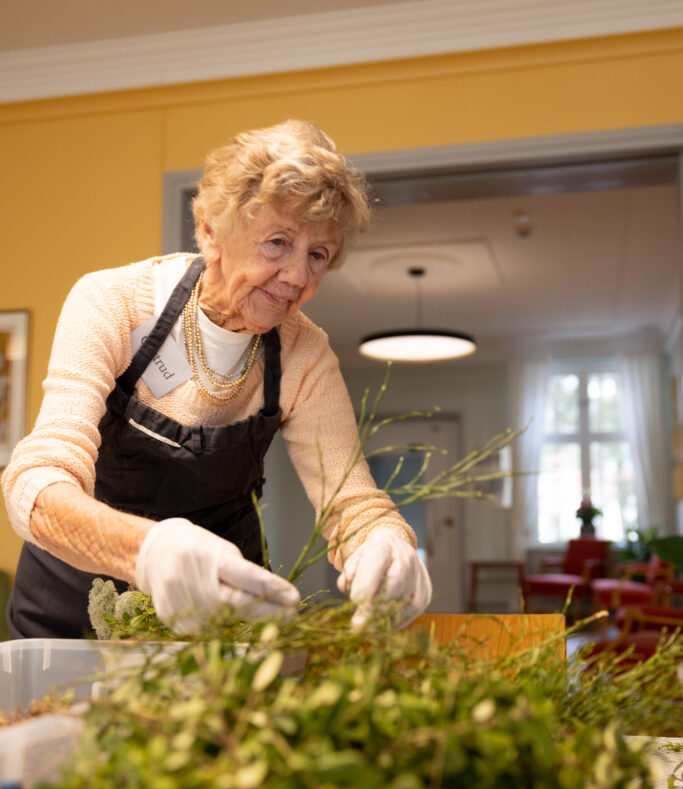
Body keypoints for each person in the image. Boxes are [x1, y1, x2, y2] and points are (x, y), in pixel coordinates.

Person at [1, 119, 432, 639]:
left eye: (317, 255)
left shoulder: (304, 353)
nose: (297, 275)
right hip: (71, 608)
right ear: (210, 231)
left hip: (219, 617)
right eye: (278, 242)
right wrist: (147, 550)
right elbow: (36, 482)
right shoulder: (112, 303)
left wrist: (386, 542)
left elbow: (351, 501)